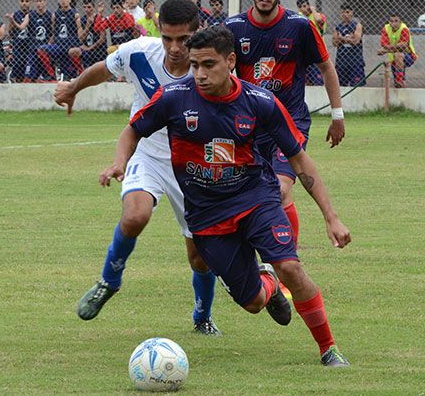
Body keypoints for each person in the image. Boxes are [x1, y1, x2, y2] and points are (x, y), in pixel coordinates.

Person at [105, 25, 351, 367]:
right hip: (207, 215)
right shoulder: (175, 97)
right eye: (194, 66)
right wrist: (120, 161)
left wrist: (331, 217)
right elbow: (132, 130)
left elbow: (299, 159)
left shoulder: (260, 102)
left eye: (209, 65)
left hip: (255, 199)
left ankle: (329, 349)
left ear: (231, 61)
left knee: (291, 267)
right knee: (252, 303)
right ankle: (267, 283)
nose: (200, 74)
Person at [53, 0, 221, 336]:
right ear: (159, 30)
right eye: (168, 38)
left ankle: (202, 316)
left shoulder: (209, 66)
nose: (175, 48)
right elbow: (105, 68)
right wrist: (74, 87)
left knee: (200, 257)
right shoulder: (139, 52)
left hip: (193, 164)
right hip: (146, 152)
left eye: (183, 40)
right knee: (134, 216)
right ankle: (108, 281)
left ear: (196, 32)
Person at [225, 0, 345, 257]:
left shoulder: (299, 27)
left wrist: (337, 114)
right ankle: (273, 258)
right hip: (249, 126)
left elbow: (327, 68)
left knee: (279, 188)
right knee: (262, 193)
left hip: (289, 121)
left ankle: (286, 262)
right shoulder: (233, 29)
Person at [27, 0, 84, 82]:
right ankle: (51, 75)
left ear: (70, 0)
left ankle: (82, 73)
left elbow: (80, 32)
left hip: (70, 46)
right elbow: (54, 32)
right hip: (58, 46)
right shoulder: (55, 15)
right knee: (42, 49)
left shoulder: (75, 14)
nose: (63, 1)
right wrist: (49, 44)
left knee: (69, 73)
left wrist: (79, 44)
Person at [377, 12, 417, 88]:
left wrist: (386, 50)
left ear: (400, 22)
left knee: (398, 55)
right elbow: (384, 44)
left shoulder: (404, 29)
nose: (393, 23)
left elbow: (403, 46)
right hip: (393, 59)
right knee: (398, 86)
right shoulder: (386, 28)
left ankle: (400, 80)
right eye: (391, 21)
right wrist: (395, 47)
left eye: (396, 21)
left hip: (409, 56)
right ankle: (400, 83)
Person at [22, 0, 55, 81]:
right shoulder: (30, 15)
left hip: (45, 52)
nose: (38, 3)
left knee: (49, 79)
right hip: (33, 50)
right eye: (36, 1)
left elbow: (54, 33)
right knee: (28, 78)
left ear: (45, 2)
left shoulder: (51, 15)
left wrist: (48, 44)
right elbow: (21, 27)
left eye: (40, 1)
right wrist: (13, 20)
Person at [296, 0, 327, 85]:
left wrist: (313, 10)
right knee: (306, 80)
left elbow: (319, 20)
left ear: (309, 5)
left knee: (317, 79)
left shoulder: (318, 16)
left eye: (305, 6)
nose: (304, 9)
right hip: (304, 51)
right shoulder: (299, 17)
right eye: (301, 7)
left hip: (317, 49)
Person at [332, 3, 364, 87]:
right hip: (341, 61)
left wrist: (341, 38)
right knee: (340, 86)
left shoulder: (357, 25)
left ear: (352, 13)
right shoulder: (337, 26)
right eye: (343, 12)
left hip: (355, 61)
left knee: (357, 87)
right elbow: (335, 42)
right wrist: (349, 39)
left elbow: (356, 41)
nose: (345, 15)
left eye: (347, 12)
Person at [69, 0, 105, 69]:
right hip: (86, 47)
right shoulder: (81, 20)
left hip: (98, 47)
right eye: (84, 7)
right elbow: (81, 38)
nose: (87, 10)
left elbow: (102, 38)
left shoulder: (99, 18)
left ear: (93, 7)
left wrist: (90, 48)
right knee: (72, 51)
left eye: (89, 7)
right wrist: (88, 26)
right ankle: (81, 72)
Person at [5, 0, 33, 82]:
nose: (24, 3)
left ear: (30, 2)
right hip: (18, 46)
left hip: (29, 46)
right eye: (22, 1)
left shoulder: (32, 14)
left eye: (26, 1)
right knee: (18, 69)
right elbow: (10, 32)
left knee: (29, 70)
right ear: (19, 2)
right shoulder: (15, 15)